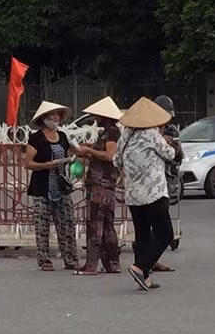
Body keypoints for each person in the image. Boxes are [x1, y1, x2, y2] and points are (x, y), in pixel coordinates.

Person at [114, 97, 176, 292]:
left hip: (133, 193)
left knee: (143, 235)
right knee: (165, 234)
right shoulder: (151, 133)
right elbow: (170, 154)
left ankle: (144, 277)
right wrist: (165, 140)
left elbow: (116, 160)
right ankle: (140, 267)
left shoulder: (125, 135)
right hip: (154, 192)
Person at [24, 101, 79, 271]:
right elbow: (28, 163)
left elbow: (70, 154)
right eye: (52, 115)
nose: (55, 118)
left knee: (67, 223)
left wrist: (73, 160)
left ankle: (70, 258)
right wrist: (45, 165)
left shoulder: (62, 136)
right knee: (42, 225)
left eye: (58, 115)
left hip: (61, 185)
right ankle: (44, 259)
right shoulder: (36, 138)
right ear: (44, 119)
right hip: (42, 187)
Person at [73, 96, 123, 275]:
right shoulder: (109, 132)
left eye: (97, 115)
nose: (95, 118)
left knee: (95, 223)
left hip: (101, 184)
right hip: (105, 183)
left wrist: (89, 151)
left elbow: (109, 155)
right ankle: (112, 263)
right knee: (107, 224)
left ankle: (91, 265)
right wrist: (90, 151)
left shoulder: (111, 133)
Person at [152, 95, 182, 272]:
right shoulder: (146, 130)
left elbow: (177, 157)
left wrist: (174, 147)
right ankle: (147, 260)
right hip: (148, 181)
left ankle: (151, 259)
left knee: (161, 223)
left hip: (164, 179)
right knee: (150, 222)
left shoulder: (171, 131)